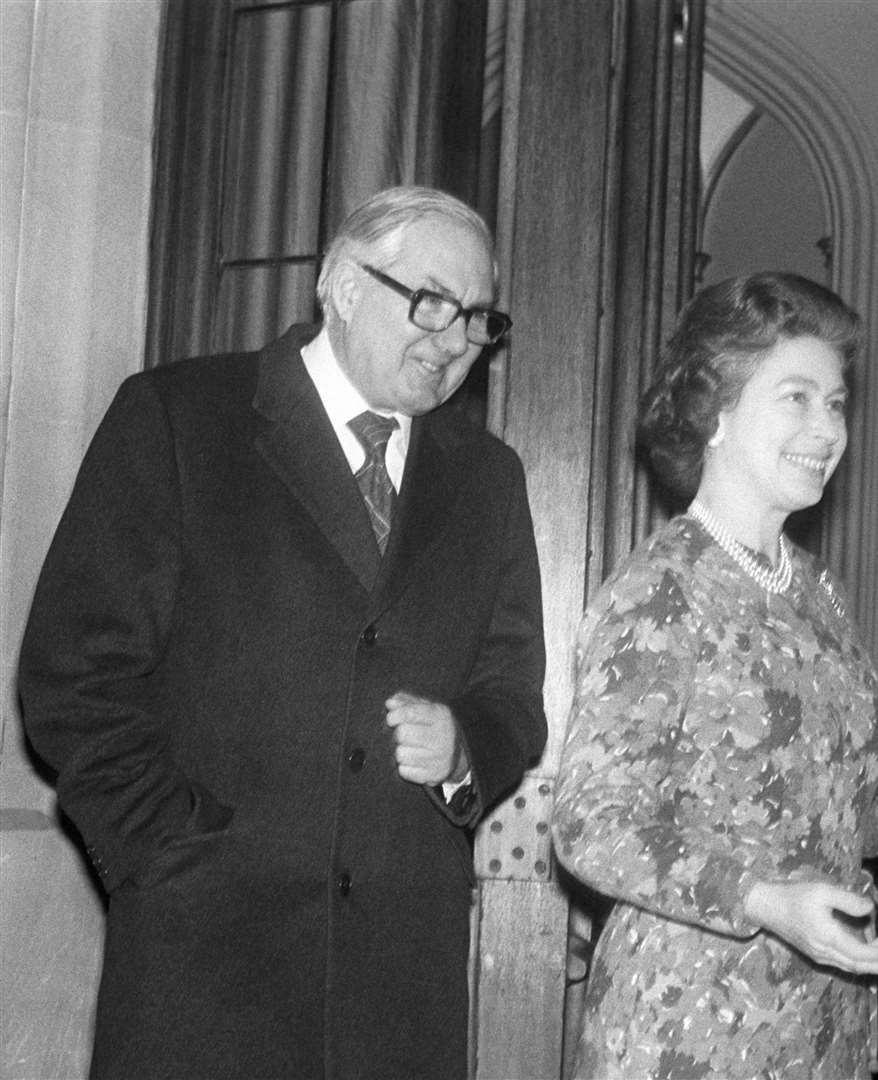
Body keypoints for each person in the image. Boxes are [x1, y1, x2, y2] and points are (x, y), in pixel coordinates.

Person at [19, 185, 548, 1079]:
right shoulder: (181, 419)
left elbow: (513, 694)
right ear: (341, 284)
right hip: (203, 975)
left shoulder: (489, 480)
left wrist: (467, 748)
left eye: (479, 319)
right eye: (431, 302)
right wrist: (166, 856)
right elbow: (74, 675)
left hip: (399, 995)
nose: (456, 339)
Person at [551, 271, 878, 1080]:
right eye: (796, 397)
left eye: (837, 403)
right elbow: (589, 822)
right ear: (715, 412)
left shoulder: (815, 589)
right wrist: (762, 900)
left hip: (820, 1021)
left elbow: (812, 808)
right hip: (688, 1023)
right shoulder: (663, 590)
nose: (827, 427)